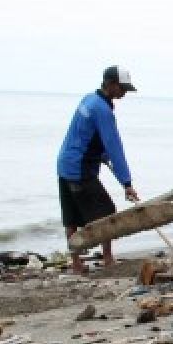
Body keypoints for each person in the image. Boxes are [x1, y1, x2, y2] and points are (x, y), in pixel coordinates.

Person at [56, 66, 140, 274]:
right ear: (111, 84)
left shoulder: (88, 100)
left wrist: (100, 154)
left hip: (65, 162)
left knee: (72, 217)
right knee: (106, 212)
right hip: (79, 168)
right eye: (122, 88)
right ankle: (108, 259)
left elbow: (84, 134)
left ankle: (76, 263)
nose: (124, 93)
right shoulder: (102, 110)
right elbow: (114, 146)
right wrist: (126, 183)